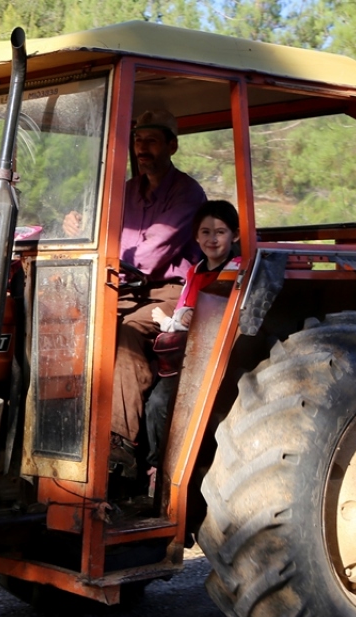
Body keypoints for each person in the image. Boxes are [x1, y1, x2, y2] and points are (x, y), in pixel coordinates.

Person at [104, 109, 208, 482]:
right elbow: (103, 231)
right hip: (122, 286)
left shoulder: (187, 193)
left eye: (150, 140)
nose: (142, 148)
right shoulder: (126, 190)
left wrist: (110, 249)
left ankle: (119, 446)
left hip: (169, 293)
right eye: (137, 140)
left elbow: (150, 254)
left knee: (129, 330)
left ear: (171, 145)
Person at [143, 200, 242, 488]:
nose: (213, 239)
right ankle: (153, 468)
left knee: (163, 401)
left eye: (220, 232)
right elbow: (183, 313)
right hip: (187, 351)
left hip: (215, 354)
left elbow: (216, 313)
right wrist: (171, 320)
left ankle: (170, 472)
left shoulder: (235, 269)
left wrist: (177, 318)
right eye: (206, 232)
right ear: (196, 237)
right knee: (155, 402)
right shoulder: (194, 271)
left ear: (234, 235)